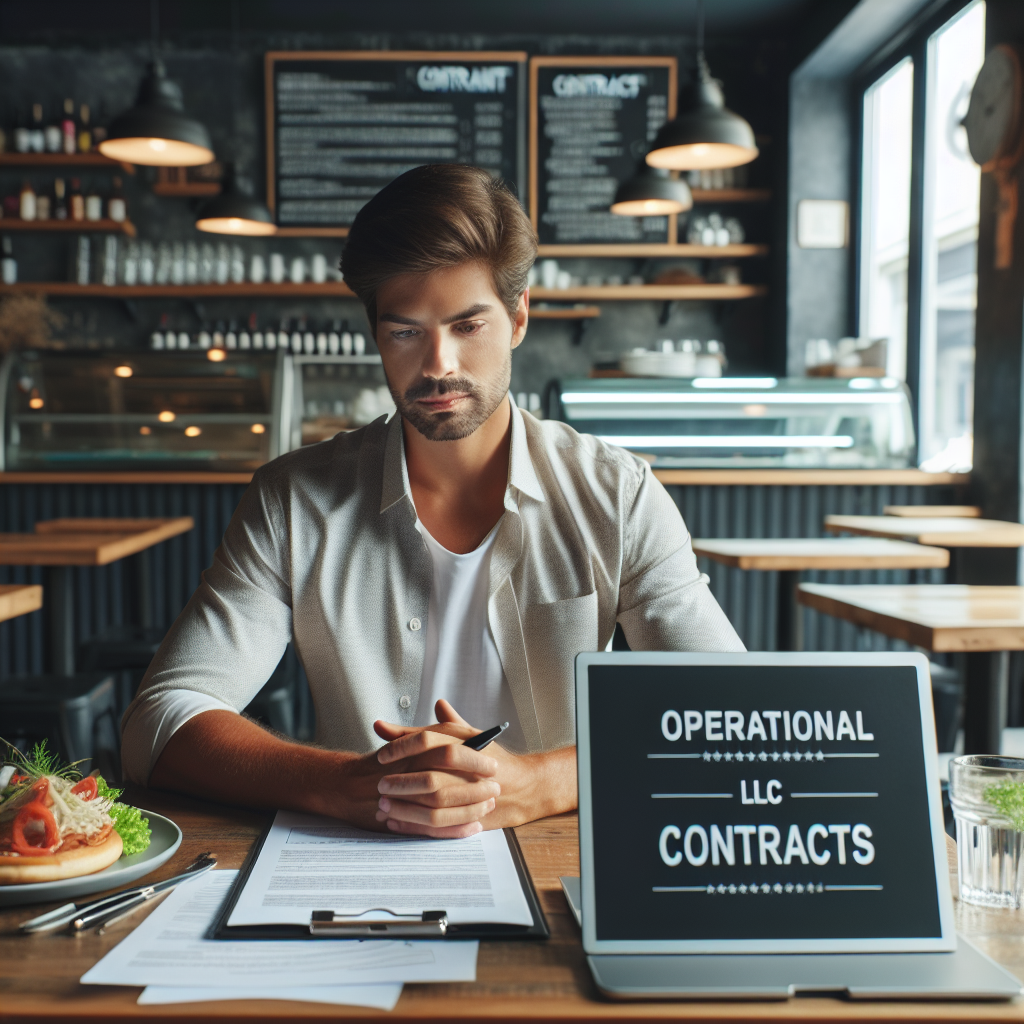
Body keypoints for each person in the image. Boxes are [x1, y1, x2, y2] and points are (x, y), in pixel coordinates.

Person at [121, 163, 744, 838]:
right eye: (406, 331)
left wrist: (542, 782)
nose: (438, 364)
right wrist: (341, 784)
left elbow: (734, 717)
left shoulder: (617, 494)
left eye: (467, 326)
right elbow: (160, 720)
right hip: (354, 857)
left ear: (518, 317)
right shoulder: (293, 501)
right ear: (376, 334)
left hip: (554, 854)